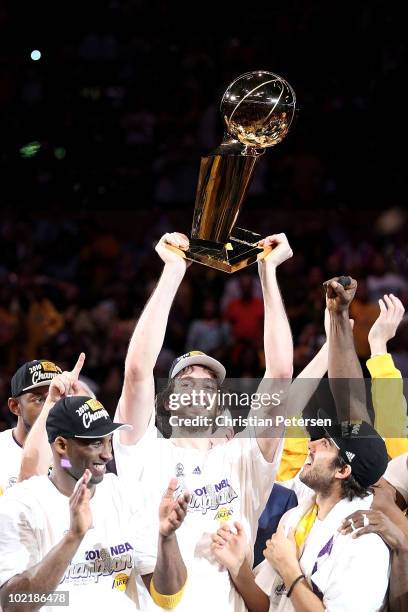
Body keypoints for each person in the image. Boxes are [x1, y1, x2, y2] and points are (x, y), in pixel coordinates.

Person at [113, 231, 295, 612]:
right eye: (186, 382)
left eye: (208, 384)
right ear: (166, 403)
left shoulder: (244, 457)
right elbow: (136, 370)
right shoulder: (143, 453)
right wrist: (173, 271)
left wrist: (268, 272)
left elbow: (279, 374)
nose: (198, 388)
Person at [211, 276, 390, 611]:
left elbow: (352, 406)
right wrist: (239, 566)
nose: (311, 444)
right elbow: (265, 605)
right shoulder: (299, 514)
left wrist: (291, 572)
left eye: (326, 444)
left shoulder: (363, 542)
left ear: (343, 469)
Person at [0, 394, 190, 612]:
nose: (108, 454)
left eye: (109, 441)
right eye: (96, 442)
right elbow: (12, 605)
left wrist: (167, 537)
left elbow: (167, 598)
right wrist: (73, 537)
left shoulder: (125, 495)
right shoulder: (20, 505)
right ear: (62, 445)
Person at [0, 359, 63, 495]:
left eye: (57, 399)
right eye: (40, 400)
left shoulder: (68, 455)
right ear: (15, 407)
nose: (50, 408)